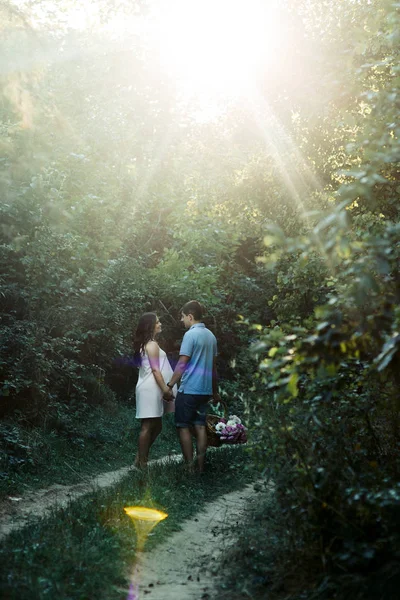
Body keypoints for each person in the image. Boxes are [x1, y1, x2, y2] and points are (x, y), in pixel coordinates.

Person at [164, 300, 220, 473]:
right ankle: (201, 468)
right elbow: (213, 367)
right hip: (205, 391)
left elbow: (182, 362)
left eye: (182, 317)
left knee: (182, 426)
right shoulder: (211, 336)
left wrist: (170, 385)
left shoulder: (190, 335)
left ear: (190, 316)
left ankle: (189, 468)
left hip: (189, 390)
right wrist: (215, 390)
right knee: (201, 426)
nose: (182, 321)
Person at [133, 312, 176, 468]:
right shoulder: (151, 345)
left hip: (151, 388)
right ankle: (142, 464)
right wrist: (165, 389)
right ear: (150, 326)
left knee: (157, 426)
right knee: (147, 426)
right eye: (157, 322)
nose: (160, 324)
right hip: (151, 389)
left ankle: (140, 456)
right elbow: (156, 370)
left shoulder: (148, 344)